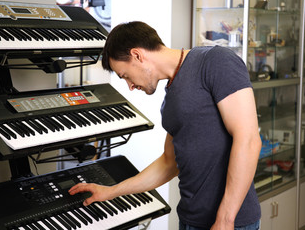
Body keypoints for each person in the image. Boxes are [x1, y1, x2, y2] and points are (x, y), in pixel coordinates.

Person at [69, 21, 262, 230]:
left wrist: (225, 219)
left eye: (125, 76)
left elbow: (248, 140)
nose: (130, 86)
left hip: (231, 222)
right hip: (190, 219)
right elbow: (169, 163)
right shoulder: (170, 98)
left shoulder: (215, 61)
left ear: (137, 55)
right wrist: (111, 191)